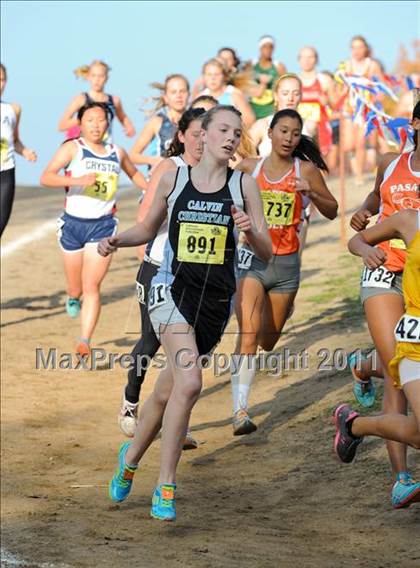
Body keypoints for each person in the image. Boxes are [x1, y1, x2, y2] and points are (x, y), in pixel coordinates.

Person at [99, 105, 271, 521]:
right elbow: (147, 228)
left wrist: (248, 230)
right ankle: (166, 484)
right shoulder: (174, 179)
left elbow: (266, 253)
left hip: (214, 306)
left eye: (237, 131)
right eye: (222, 129)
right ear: (203, 135)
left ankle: (131, 458)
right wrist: (117, 240)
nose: (231, 137)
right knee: (191, 383)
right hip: (170, 291)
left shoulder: (244, 185)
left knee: (165, 392)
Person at [231, 109, 337, 434]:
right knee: (248, 334)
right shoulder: (249, 168)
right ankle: (240, 410)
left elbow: (333, 210)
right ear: (271, 132)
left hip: (287, 265)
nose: (288, 138)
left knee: (268, 340)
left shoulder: (305, 169)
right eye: (283, 131)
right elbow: (223, 201)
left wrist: (312, 192)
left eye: (294, 133)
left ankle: (276, 312)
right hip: (251, 261)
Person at [345, 101, 420, 506]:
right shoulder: (393, 162)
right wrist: (364, 213)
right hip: (384, 271)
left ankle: (360, 365)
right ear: (415, 124)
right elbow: (376, 198)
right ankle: (402, 477)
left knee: (401, 363)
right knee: (399, 373)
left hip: (419, 282)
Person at [119, 108, 206, 453]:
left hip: (198, 277)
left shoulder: (220, 175)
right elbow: (145, 221)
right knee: (151, 342)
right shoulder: (169, 169)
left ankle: (175, 424)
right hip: (158, 268)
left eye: (207, 133)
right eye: (196, 133)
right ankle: (130, 399)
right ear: (181, 135)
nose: (202, 140)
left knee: (189, 354)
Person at [40, 102, 147, 355]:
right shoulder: (73, 148)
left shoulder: (116, 152)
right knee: (76, 288)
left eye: (101, 120)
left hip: (103, 227)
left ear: (108, 123)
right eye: (90, 120)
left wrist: (154, 191)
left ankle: (84, 341)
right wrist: (77, 180)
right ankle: (72, 296)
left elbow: (135, 175)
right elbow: (46, 177)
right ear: (81, 123)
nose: (96, 125)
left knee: (92, 286)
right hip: (73, 225)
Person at [334, 207, 420, 509]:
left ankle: (353, 426)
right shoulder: (410, 220)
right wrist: (367, 251)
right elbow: (356, 241)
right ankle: (401, 477)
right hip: (415, 347)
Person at [340, 36, 384, 184]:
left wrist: (376, 101)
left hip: (365, 108)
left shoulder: (372, 65)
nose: (357, 51)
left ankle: (359, 175)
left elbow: (380, 86)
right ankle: (359, 168)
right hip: (349, 108)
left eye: (360, 47)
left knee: (360, 143)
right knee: (348, 145)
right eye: (354, 47)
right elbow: (341, 86)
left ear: (365, 49)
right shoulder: (346, 65)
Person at [1, 63, 37, 236]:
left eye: (2, 79)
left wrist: (25, 152)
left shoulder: (13, 109)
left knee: (1, 223)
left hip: (6, 171)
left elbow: (14, 141)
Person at [58, 60, 135, 141]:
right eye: (93, 76)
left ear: (106, 78)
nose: (97, 79)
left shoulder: (114, 101)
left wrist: (129, 127)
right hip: (84, 145)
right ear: (88, 77)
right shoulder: (81, 99)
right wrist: (83, 119)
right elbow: (62, 125)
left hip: (106, 146)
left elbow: (123, 117)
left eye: (101, 76)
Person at [129, 74, 189, 172]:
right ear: (165, 97)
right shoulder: (157, 122)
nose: (179, 96)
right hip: (160, 179)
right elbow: (132, 155)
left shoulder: (195, 121)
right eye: (173, 92)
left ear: (188, 94)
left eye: (182, 91)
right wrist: (152, 160)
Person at [250, 74, 302, 157]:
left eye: (296, 94)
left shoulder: (310, 126)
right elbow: (241, 154)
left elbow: (318, 162)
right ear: (276, 96)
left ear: (301, 96)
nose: (290, 98)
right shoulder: (263, 124)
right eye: (285, 93)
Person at [297, 46, 334, 156]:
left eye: (310, 57)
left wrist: (327, 101)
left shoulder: (324, 80)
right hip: (299, 125)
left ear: (316, 59)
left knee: (321, 162)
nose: (307, 60)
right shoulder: (294, 80)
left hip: (321, 126)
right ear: (299, 60)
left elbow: (335, 105)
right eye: (303, 57)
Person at [200, 58, 255, 127]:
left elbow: (250, 119)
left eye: (217, 74)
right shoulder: (200, 97)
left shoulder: (234, 94)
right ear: (203, 77)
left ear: (224, 76)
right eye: (209, 74)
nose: (213, 78)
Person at [248, 35, 286, 120]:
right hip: (253, 107)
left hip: (270, 109)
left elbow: (285, 85)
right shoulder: (251, 64)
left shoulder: (279, 66)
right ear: (260, 48)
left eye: (271, 47)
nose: (268, 50)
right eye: (265, 47)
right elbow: (244, 84)